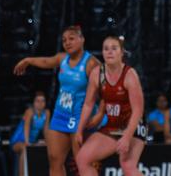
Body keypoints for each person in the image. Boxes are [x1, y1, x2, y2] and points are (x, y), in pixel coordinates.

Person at [13, 26, 102, 176]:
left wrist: (99, 114)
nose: (67, 42)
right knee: (54, 159)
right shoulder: (62, 58)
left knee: (82, 161)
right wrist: (28, 60)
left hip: (79, 116)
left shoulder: (91, 63)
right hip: (61, 114)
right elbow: (46, 61)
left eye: (71, 38)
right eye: (64, 40)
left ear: (82, 40)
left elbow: (106, 91)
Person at [75, 36, 146, 176]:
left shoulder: (129, 75)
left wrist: (126, 136)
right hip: (114, 125)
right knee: (82, 159)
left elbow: (138, 110)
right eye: (106, 49)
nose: (109, 52)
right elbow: (89, 104)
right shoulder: (97, 74)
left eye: (114, 48)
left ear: (121, 53)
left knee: (127, 165)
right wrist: (79, 128)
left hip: (133, 123)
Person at [11, 92, 50, 176]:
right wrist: (27, 142)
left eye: (43, 101)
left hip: (32, 141)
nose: (40, 104)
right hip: (18, 140)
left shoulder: (47, 113)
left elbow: (46, 130)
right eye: (37, 101)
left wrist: (47, 142)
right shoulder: (30, 112)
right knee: (25, 149)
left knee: (47, 148)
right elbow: (26, 127)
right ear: (33, 102)